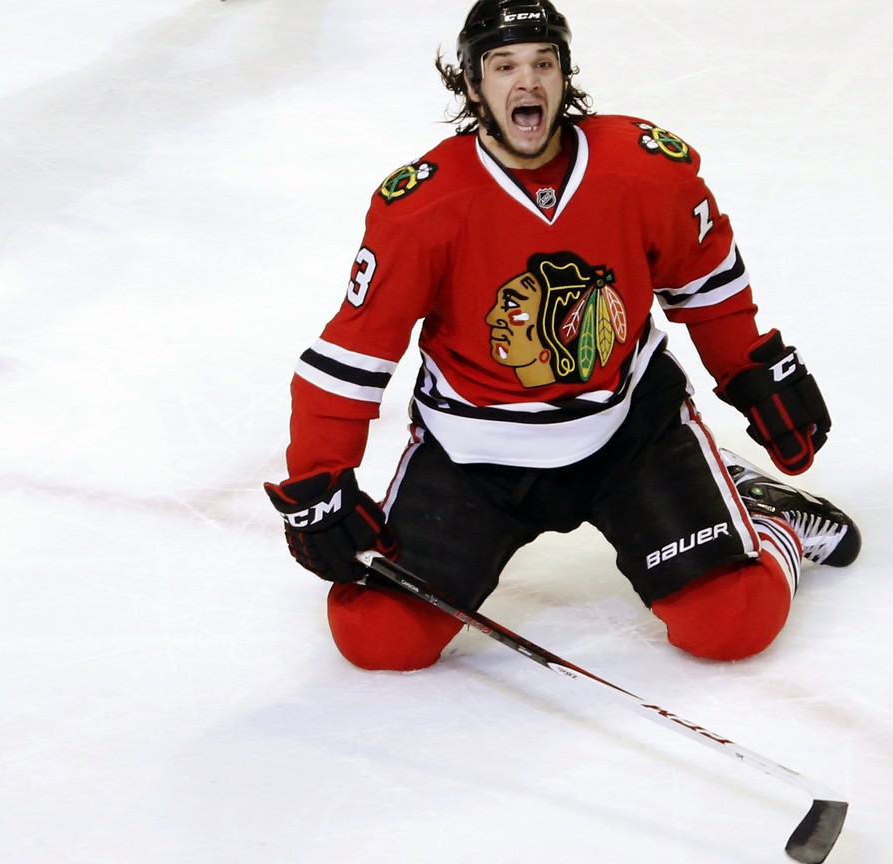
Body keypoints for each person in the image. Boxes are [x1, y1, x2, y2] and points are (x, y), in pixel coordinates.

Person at [264, 0, 860, 672]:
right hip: (476, 457)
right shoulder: (425, 207)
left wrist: (753, 371)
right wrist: (318, 484)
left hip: (629, 434)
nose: (528, 82)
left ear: (565, 74)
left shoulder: (639, 168)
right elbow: (352, 356)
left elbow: (707, 283)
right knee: (376, 634)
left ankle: (768, 522)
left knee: (731, 622)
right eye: (505, 66)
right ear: (472, 84)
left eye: (544, 63)